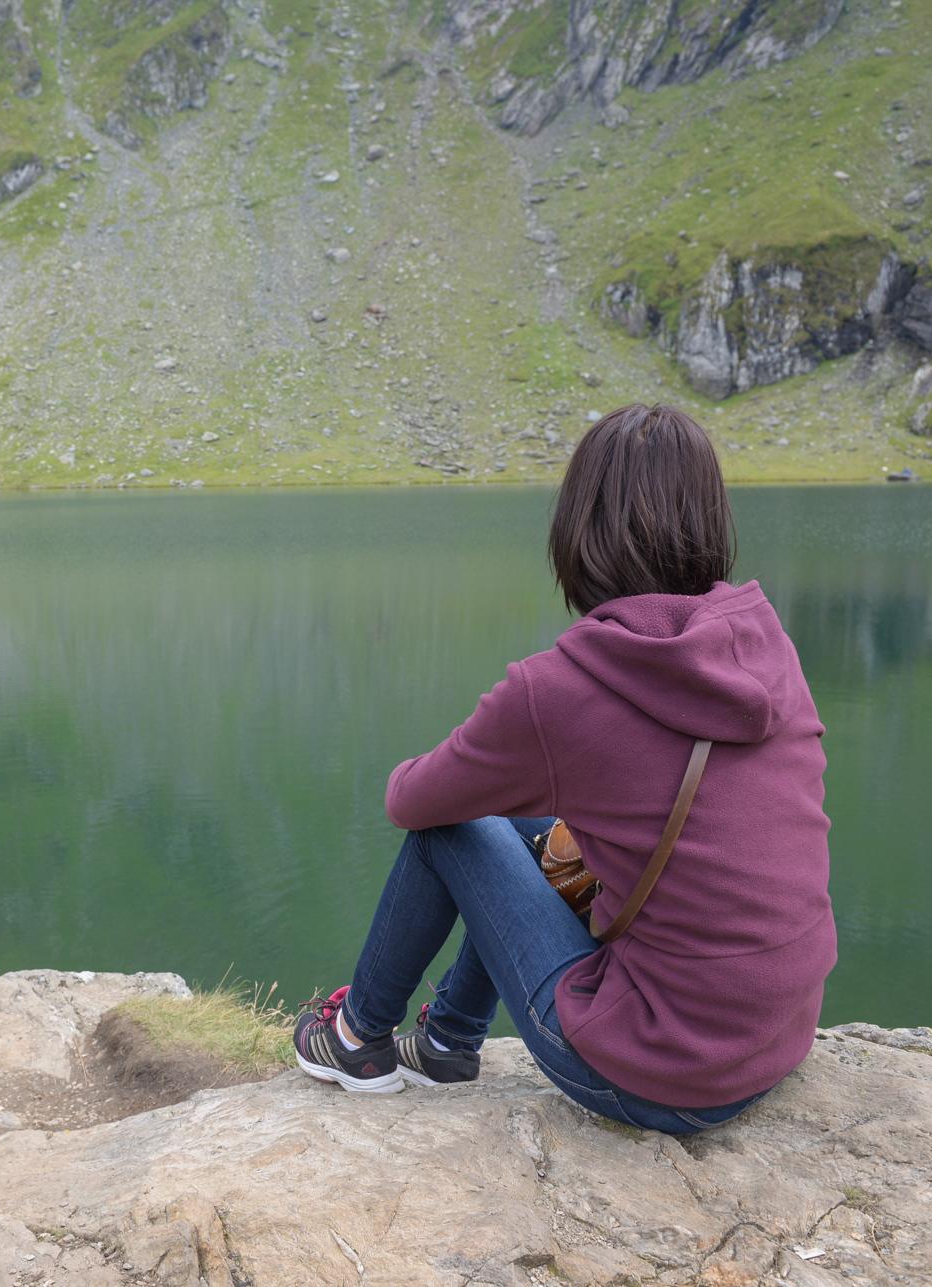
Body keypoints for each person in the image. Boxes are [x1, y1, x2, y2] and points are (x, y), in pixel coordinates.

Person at [293, 404, 835, 1134]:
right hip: (774, 1039)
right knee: (530, 825)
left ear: (581, 530)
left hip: (655, 1072)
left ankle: (358, 1037)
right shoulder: (765, 647)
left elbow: (413, 802)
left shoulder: (561, 688)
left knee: (452, 831)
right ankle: (451, 1036)